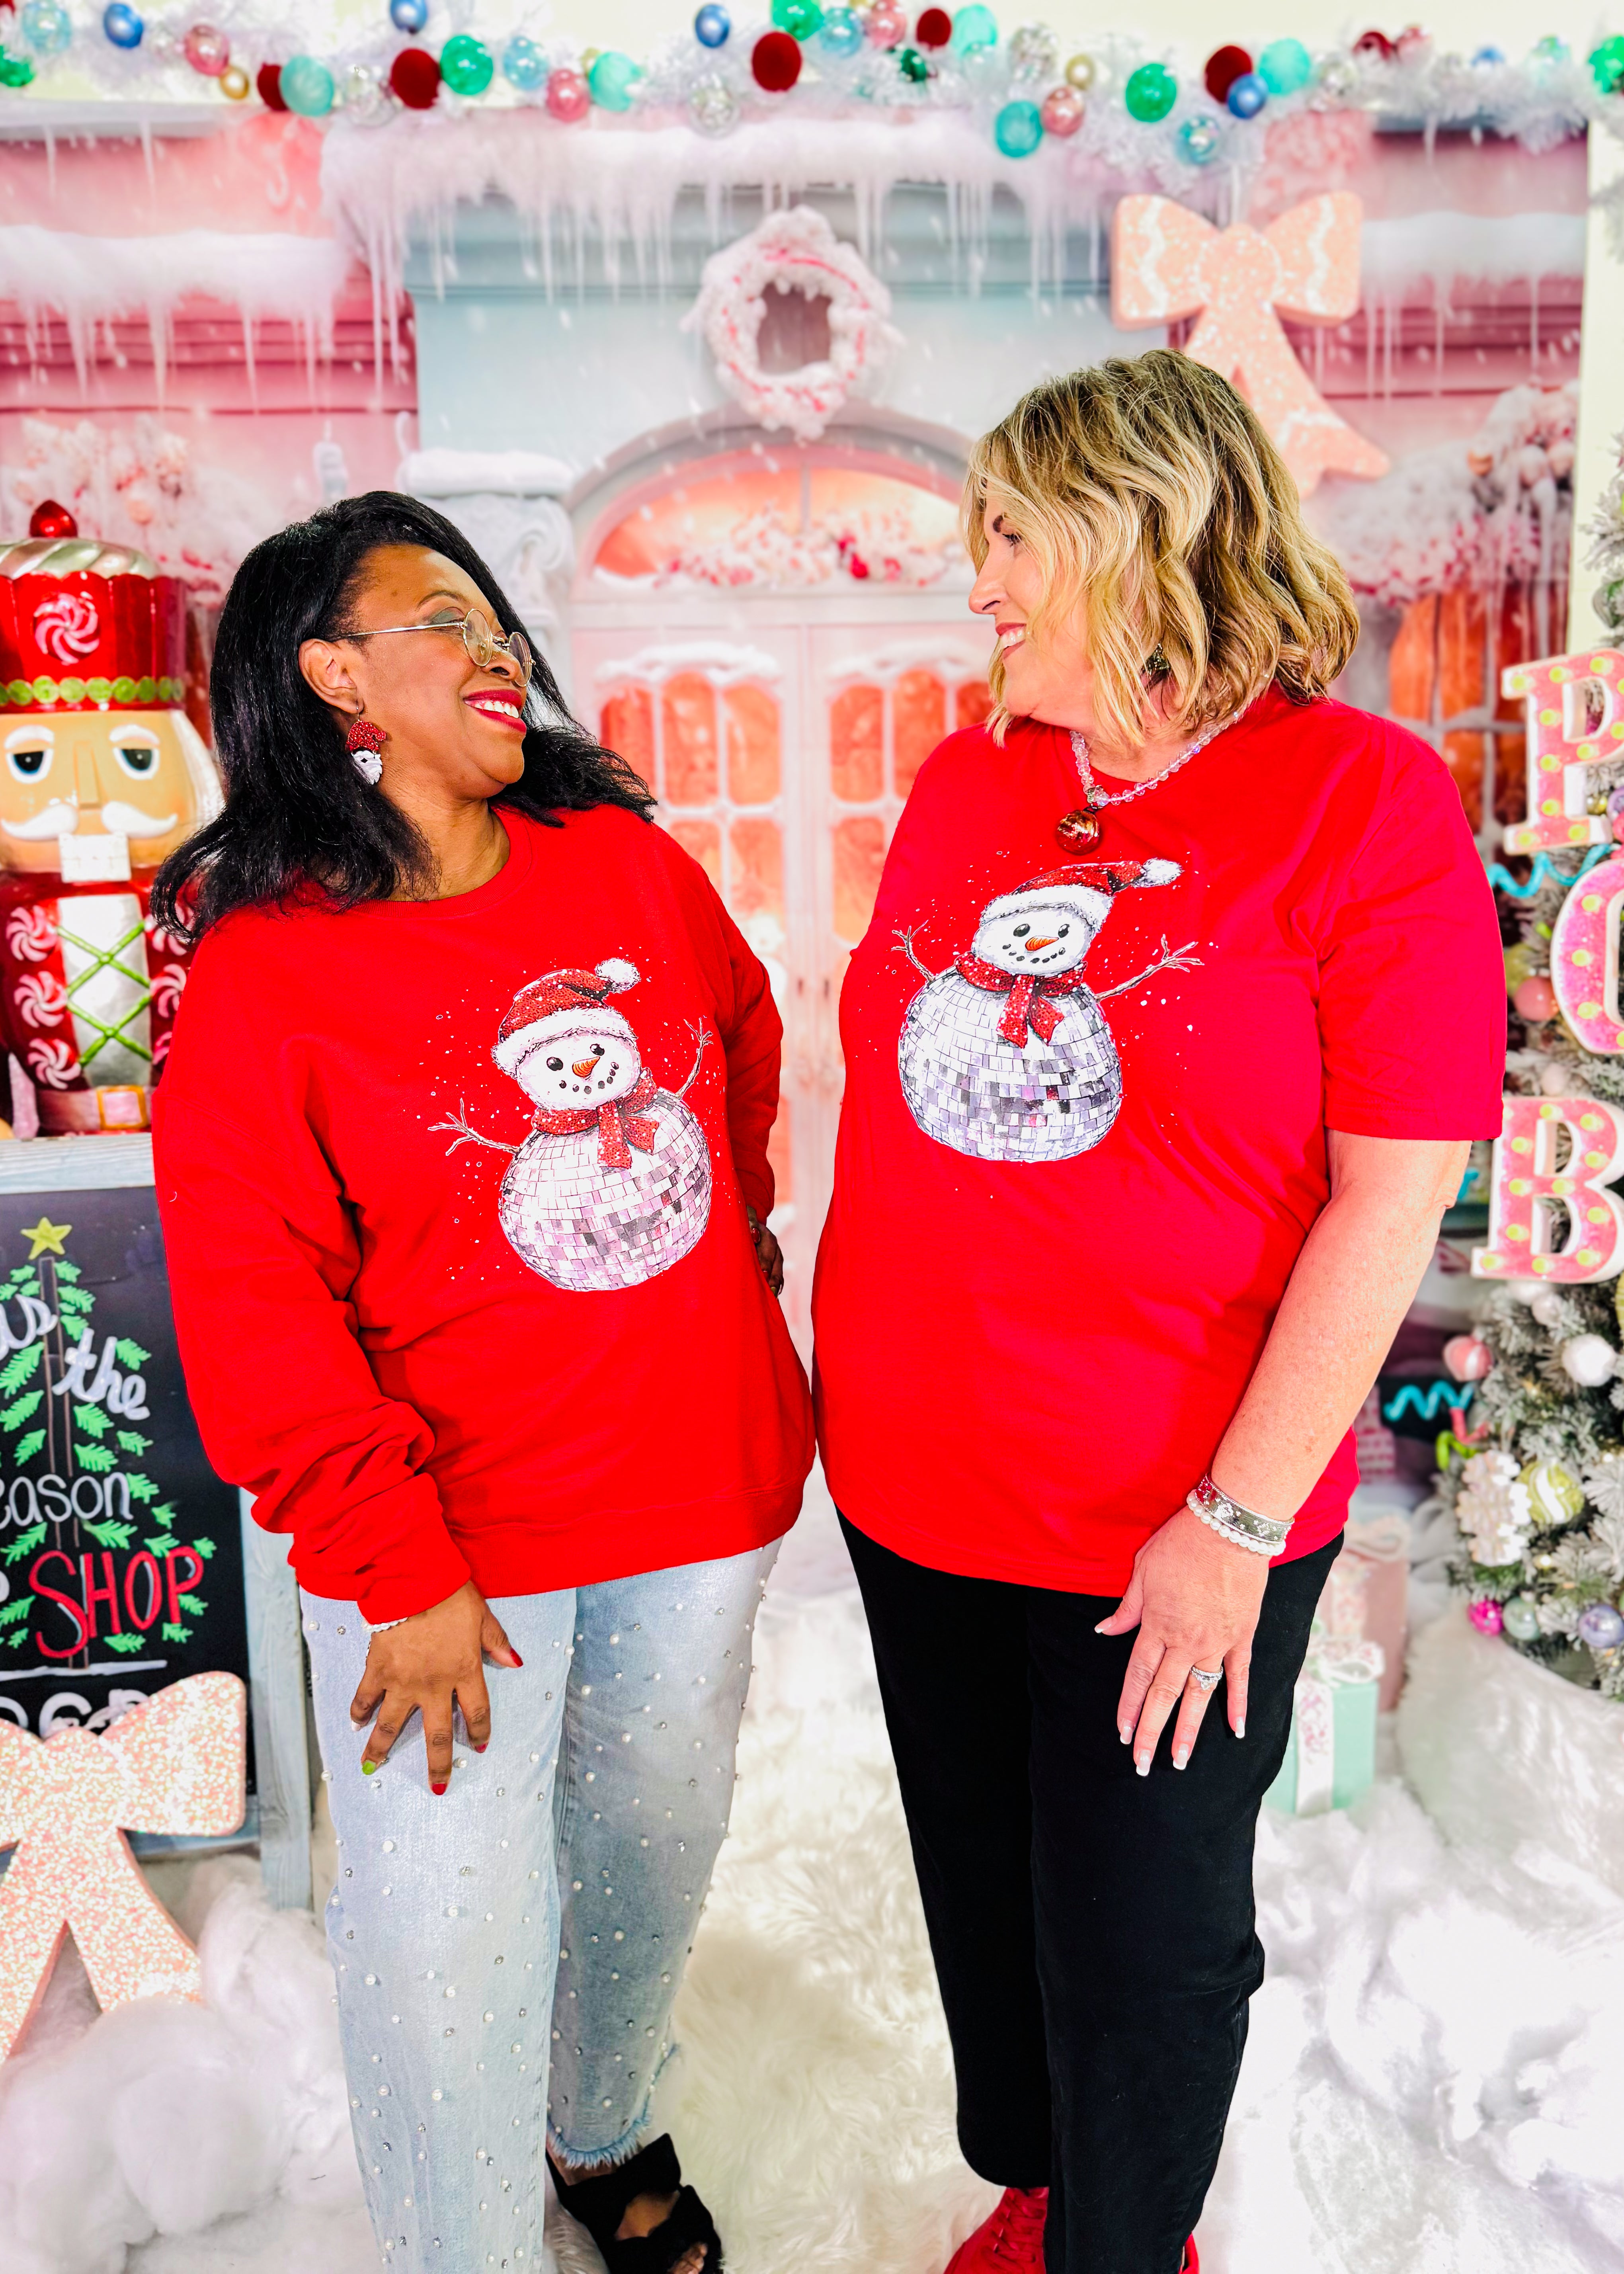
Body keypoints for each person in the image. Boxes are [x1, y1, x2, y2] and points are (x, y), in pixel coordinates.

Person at [811, 352, 1505, 2274]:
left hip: (1166, 1520)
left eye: (1014, 540)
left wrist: (1230, 1521)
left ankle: (1125, 2244)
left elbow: (1393, 1194)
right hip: (915, 1486)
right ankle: (1035, 2185)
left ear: (1138, 536)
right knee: (984, 1890)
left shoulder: (1363, 801)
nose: (981, 585)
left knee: (1142, 1936)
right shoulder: (973, 780)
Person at [151, 492, 813, 2274]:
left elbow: (740, 1035)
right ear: (334, 675)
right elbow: (252, 1298)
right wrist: (391, 1561)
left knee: (649, 1848)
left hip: (699, 1494)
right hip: (449, 1552)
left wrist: (729, 1240)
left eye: (497, 617)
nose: (498, 647)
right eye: (444, 618)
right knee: (447, 1932)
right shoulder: (267, 969)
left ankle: (598, 2124)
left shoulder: (625, 865)